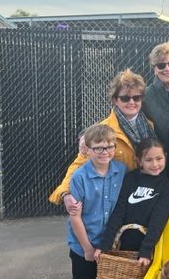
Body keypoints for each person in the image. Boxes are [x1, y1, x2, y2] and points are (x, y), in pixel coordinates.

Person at [95, 138, 169, 279]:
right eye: (149, 160)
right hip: (124, 247)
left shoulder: (166, 185)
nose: (155, 164)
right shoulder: (131, 179)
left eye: (159, 158)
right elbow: (119, 212)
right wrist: (104, 246)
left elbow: (158, 221)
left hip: (143, 251)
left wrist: (146, 250)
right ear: (139, 160)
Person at [50, 69, 155, 211]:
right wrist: (65, 192)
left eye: (136, 98)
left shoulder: (150, 126)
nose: (131, 102)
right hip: (115, 201)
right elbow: (79, 164)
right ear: (115, 100)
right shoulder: (103, 130)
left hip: (146, 194)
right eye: (125, 98)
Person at [65, 124, 126, 279]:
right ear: (88, 149)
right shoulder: (80, 177)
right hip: (83, 246)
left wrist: (104, 247)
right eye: (98, 148)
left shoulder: (120, 171)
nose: (104, 152)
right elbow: (75, 216)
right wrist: (87, 248)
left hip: (107, 246)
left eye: (109, 147)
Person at [142, 41, 169, 151]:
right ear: (155, 69)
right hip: (163, 158)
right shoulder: (146, 97)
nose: (167, 69)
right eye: (161, 65)